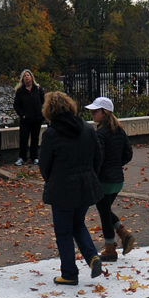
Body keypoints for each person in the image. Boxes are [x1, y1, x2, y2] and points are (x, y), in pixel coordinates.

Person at [38, 91, 104, 286]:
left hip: (62, 188)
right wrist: (90, 176)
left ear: (49, 110)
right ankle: (92, 258)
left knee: (63, 232)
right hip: (85, 186)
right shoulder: (87, 129)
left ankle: (69, 273)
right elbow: (97, 158)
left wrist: (51, 181)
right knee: (78, 224)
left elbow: (44, 165)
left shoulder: (51, 134)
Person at [86, 96, 135, 261]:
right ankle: (123, 233)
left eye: (95, 111)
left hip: (104, 179)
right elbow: (128, 154)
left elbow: (98, 158)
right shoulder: (120, 130)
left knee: (104, 212)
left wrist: (94, 174)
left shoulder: (100, 133)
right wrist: (116, 164)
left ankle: (110, 249)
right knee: (105, 209)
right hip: (117, 179)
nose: (92, 114)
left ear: (104, 112)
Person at [13, 69, 45, 166]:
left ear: (31, 77)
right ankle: (22, 158)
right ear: (22, 78)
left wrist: (42, 114)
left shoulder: (38, 89)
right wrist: (22, 114)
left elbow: (43, 102)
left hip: (37, 119)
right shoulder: (20, 91)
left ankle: (34, 157)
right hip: (25, 119)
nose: (27, 77)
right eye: (25, 76)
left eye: (28, 75)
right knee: (23, 138)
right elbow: (16, 105)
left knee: (35, 139)